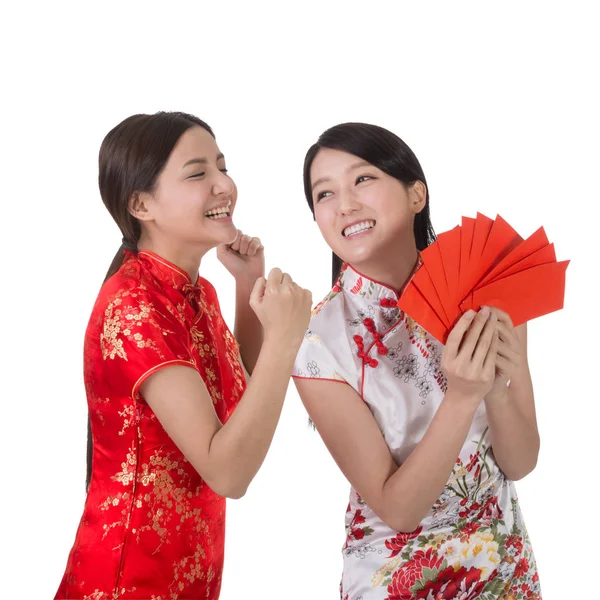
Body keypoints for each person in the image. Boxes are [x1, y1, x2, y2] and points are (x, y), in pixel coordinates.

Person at [56, 111, 312, 599]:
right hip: (127, 581)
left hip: (189, 575)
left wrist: (246, 287)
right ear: (141, 203)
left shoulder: (196, 294)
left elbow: (240, 415)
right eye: (198, 173)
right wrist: (285, 341)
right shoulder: (135, 305)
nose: (224, 184)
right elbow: (230, 471)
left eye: (222, 165)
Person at [293, 123, 541, 599]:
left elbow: (522, 460)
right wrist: (464, 397)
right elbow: (399, 510)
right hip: (401, 578)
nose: (344, 204)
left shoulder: (485, 284)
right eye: (325, 194)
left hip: (505, 567)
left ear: (416, 194)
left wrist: (496, 389)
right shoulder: (316, 343)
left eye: (362, 179)